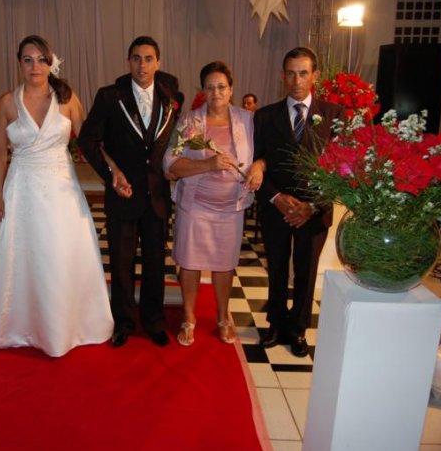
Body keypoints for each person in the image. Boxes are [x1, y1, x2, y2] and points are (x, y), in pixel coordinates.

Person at [0, 35, 113, 357]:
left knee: (60, 254)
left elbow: (90, 143)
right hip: (21, 189)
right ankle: (22, 325)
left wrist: (113, 171)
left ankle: (67, 325)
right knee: (24, 256)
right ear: (19, 64)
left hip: (62, 190)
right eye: (27, 60)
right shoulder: (7, 103)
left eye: (40, 59)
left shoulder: (67, 99)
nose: (34, 66)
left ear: (50, 63)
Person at [79, 36, 183, 348]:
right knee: (121, 264)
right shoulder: (111, 96)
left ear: (158, 62)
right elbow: (87, 140)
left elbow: (174, 141)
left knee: (155, 263)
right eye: (136, 58)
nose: (142, 65)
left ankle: (153, 322)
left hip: (157, 195)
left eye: (148, 58)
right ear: (128, 61)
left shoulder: (171, 95)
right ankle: (123, 322)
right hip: (122, 194)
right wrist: (111, 173)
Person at [163, 61, 263, 346]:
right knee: (190, 263)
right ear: (203, 91)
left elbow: (263, 153)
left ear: (231, 89)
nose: (216, 92)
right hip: (195, 206)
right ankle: (188, 317)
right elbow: (169, 165)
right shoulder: (189, 121)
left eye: (221, 87)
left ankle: (222, 316)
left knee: (224, 263)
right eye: (210, 87)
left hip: (230, 207)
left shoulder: (248, 120)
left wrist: (259, 167)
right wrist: (208, 164)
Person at [254, 47, 344, 357]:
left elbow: (342, 169)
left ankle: (298, 329)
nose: (296, 80)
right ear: (282, 76)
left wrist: (313, 206)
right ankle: (276, 323)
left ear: (314, 76)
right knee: (277, 267)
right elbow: (257, 162)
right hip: (276, 207)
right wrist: (276, 197)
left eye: (303, 73)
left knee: (306, 271)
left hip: (314, 210)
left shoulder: (335, 115)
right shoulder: (266, 116)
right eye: (291, 73)